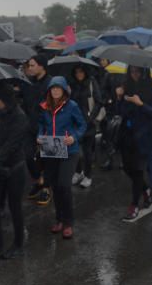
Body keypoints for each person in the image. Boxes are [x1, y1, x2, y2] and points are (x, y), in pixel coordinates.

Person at [0, 82, 29, 260]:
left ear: (6, 100)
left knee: (15, 207)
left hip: (14, 168)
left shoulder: (20, 117)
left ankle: (18, 244)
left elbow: (10, 145)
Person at [37, 76, 86, 239]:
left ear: (64, 90)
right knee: (55, 186)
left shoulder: (72, 106)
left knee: (64, 184)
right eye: (53, 88)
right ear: (49, 90)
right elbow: (42, 125)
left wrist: (74, 137)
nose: (56, 90)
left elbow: (82, 125)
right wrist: (39, 136)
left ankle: (69, 222)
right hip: (51, 151)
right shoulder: (45, 107)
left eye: (59, 88)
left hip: (70, 151)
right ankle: (59, 219)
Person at [116, 66, 152, 222]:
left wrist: (140, 103)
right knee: (128, 168)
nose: (135, 74)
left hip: (145, 135)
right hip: (127, 134)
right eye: (132, 71)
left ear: (144, 72)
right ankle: (145, 189)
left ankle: (134, 205)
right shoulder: (126, 87)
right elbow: (120, 111)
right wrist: (120, 98)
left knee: (137, 169)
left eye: (138, 71)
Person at [24, 55, 52, 204]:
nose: (29, 68)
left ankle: (46, 188)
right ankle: (39, 181)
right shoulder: (29, 83)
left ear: (42, 66)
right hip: (30, 126)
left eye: (32, 65)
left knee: (47, 158)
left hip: (48, 127)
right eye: (29, 65)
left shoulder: (51, 83)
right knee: (28, 156)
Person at [68, 64, 102, 188]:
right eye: (76, 72)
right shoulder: (72, 84)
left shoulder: (91, 82)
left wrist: (91, 118)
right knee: (74, 149)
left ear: (85, 72)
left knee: (87, 152)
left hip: (88, 124)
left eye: (81, 72)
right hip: (75, 123)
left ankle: (88, 175)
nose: (79, 75)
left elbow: (99, 101)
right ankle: (78, 172)